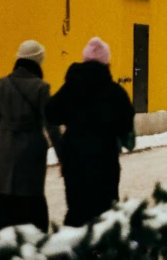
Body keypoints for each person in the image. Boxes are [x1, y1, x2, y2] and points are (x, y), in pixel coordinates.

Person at [46, 37, 135, 227]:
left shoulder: (70, 87)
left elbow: (51, 113)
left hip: (74, 160)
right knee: (105, 213)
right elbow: (126, 125)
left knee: (77, 210)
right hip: (105, 160)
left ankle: (74, 250)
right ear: (106, 62)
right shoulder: (115, 92)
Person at [0, 40, 62, 234]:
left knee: (4, 196)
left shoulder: (1, 84)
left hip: (4, 146)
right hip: (31, 148)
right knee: (30, 197)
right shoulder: (42, 87)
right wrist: (63, 157)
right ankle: (31, 241)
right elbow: (51, 126)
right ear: (38, 60)